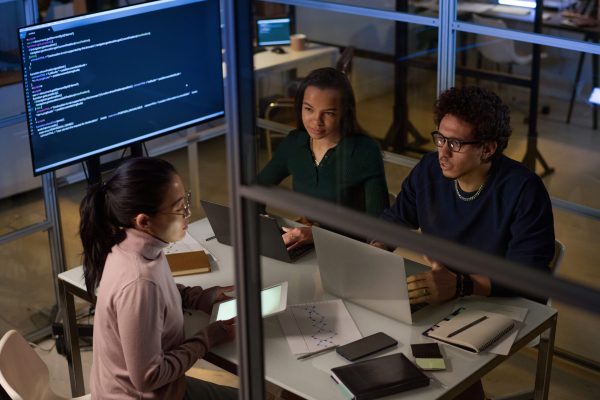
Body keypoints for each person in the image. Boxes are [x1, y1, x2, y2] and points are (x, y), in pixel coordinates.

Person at [375, 85, 555, 305]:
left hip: (499, 304)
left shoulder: (524, 190)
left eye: (455, 143)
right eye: (440, 139)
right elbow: (395, 220)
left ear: (487, 150)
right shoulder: (429, 170)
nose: (443, 152)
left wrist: (461, 285)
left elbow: (529, 279)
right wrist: (376, 248)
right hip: (443, 297)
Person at [79, 157, 238, 400]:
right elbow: (148, 378)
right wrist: (207, 337)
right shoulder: (139, 284)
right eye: (178, 208)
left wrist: (198, 297)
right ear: (144, 221)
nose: (188, 213)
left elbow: (161, 291)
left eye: (186, 200)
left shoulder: (132, 245)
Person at [257, 67, 389, 250]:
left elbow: (378, 227)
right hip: (308, 241)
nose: (316, 121)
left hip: (349, 249)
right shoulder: (295, 143)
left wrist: (319, 234)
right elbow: (256, 188)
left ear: (345, 112)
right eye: (309, 109)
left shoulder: (364, 151)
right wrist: (263, 223)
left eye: (329, 113)